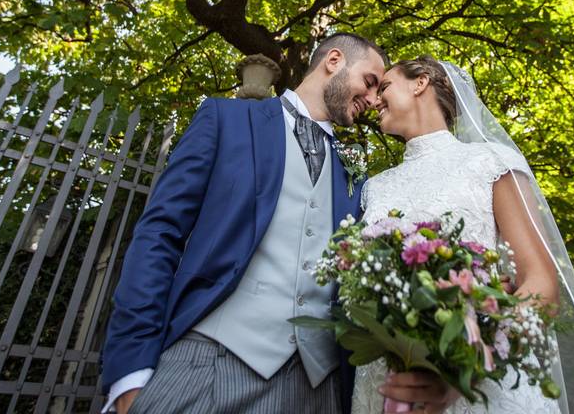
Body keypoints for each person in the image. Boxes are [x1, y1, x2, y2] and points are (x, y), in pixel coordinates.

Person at [100, 33, 388, 414]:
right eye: (369, 82)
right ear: (333, 61)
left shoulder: (357, 173)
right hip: (207, 365)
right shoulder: (226, 118)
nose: (373, 99)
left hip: (318, 388)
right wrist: (130, 367)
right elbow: (160, 234)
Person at [352, 56, 574, 414]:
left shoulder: (491, 162)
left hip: (479, 387)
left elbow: (542, 284)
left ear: (420, 82)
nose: (374, 100)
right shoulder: (374, 188)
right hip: (384, 384)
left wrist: (466, 365)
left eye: (385, 86)